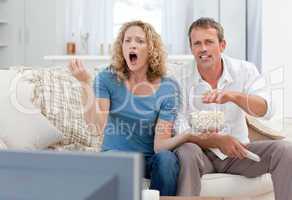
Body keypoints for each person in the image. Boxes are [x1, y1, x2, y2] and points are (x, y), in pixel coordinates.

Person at [173, 17, 292, 200]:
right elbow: (178, 128)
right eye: (197, 43)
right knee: (186, 150)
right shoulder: (180, 78)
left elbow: (266, 110)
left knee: (285, 150)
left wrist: (233, 96)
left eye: (209, 42)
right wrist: (215, 140)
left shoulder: (244, 70)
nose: (203, 48)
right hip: (200, 153)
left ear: (222, 45)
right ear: (191, 48)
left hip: (239, 152)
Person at [69, 20, 185, 196]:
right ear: (121, 47)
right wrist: (85, 82)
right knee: (111, 161)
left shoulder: (168, 88)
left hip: (148, 159)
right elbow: (98, 126)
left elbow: (161, 145)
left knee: (167, 159)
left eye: (140, 41)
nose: (132, 45)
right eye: (127, 40)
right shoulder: (106, 78)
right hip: (115, 155)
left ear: (151, 49)